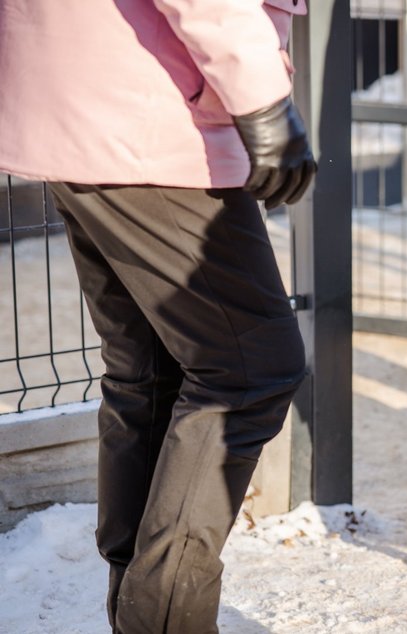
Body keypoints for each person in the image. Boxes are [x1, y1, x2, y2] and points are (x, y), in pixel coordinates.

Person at [0, 1, 315, 631]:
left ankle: (135, 603)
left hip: (77, 94)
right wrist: (263, 100)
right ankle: (164, 621)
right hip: (148, 107)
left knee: (150, 364)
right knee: (251, 368)